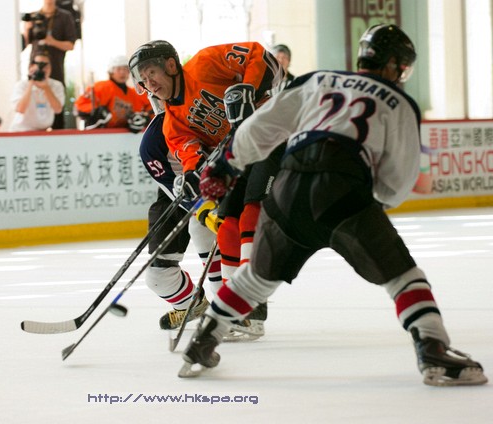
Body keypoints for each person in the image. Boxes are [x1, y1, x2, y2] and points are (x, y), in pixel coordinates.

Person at [180, 24, 488, 387]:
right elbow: (395, 184)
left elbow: (261, 125)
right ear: (394, 64)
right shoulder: (399, 101)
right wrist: (369, 207)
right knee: (403, 277)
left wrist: (224, 165)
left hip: (288, 184)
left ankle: (201, 344)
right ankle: (433, 348)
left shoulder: (316, 80)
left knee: (256, 278)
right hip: (344, 190)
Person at [129, 40, 282, 334]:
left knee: (246, 214)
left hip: (267, 134)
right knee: (210, 226)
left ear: (170, 65)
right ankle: (229, 307)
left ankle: (242, 303)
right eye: (144, 80)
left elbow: (259, 55)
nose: (150, 85)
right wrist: (192, 178)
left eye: (152, 74)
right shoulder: (169, 127)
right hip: (223, 169)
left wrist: (249, 90)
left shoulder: (205, 63)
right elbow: (190, 157)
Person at [139, 101, 221, 330]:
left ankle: (231, 309)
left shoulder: (210, 106)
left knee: (203, 230)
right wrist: (200, 207)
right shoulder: (152, 143)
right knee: (158, 275)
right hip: (177, 190)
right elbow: (171, 186)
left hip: (219, 180)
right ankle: (191, 305)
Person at [23, 0, 78, 129]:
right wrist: (27, 28)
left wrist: (52, 41)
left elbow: (71, 45)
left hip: (56, 69)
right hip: (35, 67)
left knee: (57, 112)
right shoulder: (34, 16)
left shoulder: (65, 16)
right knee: (32, 108)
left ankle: (58, 138)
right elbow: (25, 43)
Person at [74, 55, 153, 132]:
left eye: (125, 69)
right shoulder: (101, 87)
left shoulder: (135, 93)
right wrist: (97, 112)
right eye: (118, 69)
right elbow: (79, 107)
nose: (122, 72)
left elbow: (151, 111)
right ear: (111, 72)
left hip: (124, 135)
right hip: (100, 135)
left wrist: (144, 118)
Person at [9, 50, 65, 132]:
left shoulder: (56, 85)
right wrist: (31, 83)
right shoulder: (21, 85)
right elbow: (20, 109)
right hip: (21, 130)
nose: (43, 69)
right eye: (39, 64)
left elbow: (58, 109)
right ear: (30, 67)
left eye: (45, 65)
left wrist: (46, 88)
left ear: (50, 68)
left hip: (43, 131)